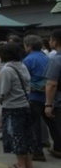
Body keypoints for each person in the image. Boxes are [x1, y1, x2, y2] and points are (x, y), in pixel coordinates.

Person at [0, 42, 38, 168]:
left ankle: (20, 164)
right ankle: (29, 163)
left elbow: (2, 92)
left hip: (12, 107)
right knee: (28, 135)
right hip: (26, 105)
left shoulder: (6, 70)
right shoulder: (22, 66)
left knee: (16, 136)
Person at [23, 34, 60, 161]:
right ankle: (58, 147)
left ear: (29, 46)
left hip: (34, 96)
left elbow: (25, 79)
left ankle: (37, 151)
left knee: (35, 124)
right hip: (48, 96)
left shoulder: (27, 60)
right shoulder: (47, 57)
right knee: (52, 123)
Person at [44, 29, 61, 158]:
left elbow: (51, 84)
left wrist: (48, 104)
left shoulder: (56, 60)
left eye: (50, 39)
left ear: (55, 42)